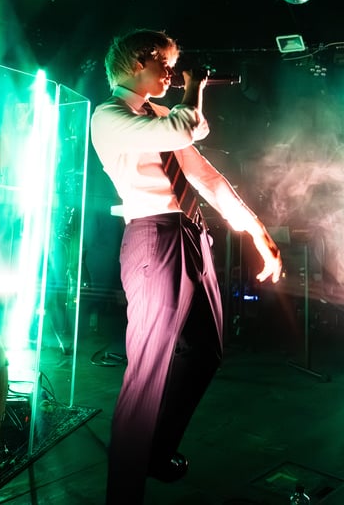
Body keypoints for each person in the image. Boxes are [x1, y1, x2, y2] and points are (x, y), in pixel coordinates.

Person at [90, 28, 282, 504]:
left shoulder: (160, 116)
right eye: (167, 64)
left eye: (177, 68)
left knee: (205, 351)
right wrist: (195, 87)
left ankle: (156, 452)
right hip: (154, 237)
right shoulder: (109, 115)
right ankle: (123, 493)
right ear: (140, 60)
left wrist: (257, 232)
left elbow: (206, 179)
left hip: (192, 236)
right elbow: (185, 127)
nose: (172, 74)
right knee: (148, 368)